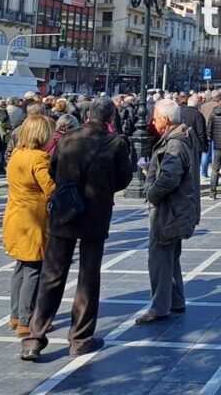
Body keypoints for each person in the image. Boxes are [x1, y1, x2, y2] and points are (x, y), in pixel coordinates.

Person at [21, 98, 133, 361]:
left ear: (87, 114)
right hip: (96, 212)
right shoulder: (115, 143)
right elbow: (124, 178)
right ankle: (80, 338)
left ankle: (34, 338)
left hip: (65, 211)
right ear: (109, 118)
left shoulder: (67, 138)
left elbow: (53, 169)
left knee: (52, 274)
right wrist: (102, 190)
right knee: (88, 276)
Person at [136, 98, 200, 324]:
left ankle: (159, 306)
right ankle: (175, 300)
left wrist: (151, 192)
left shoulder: (175, 143)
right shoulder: (181, 137)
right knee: (170, 256)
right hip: (177, 209)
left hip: (169, 210)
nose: (153, 121)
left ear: (165, 119)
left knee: (160, 259)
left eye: (155, 117)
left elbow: (169, 178)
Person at [2, 115, 56, 337]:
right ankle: (27, 320)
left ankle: (15, 315)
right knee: (34, 269)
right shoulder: (39, 158)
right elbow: (51, 187)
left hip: (15, 215)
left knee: (21, 268)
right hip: (33, 218)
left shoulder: (17, 154)